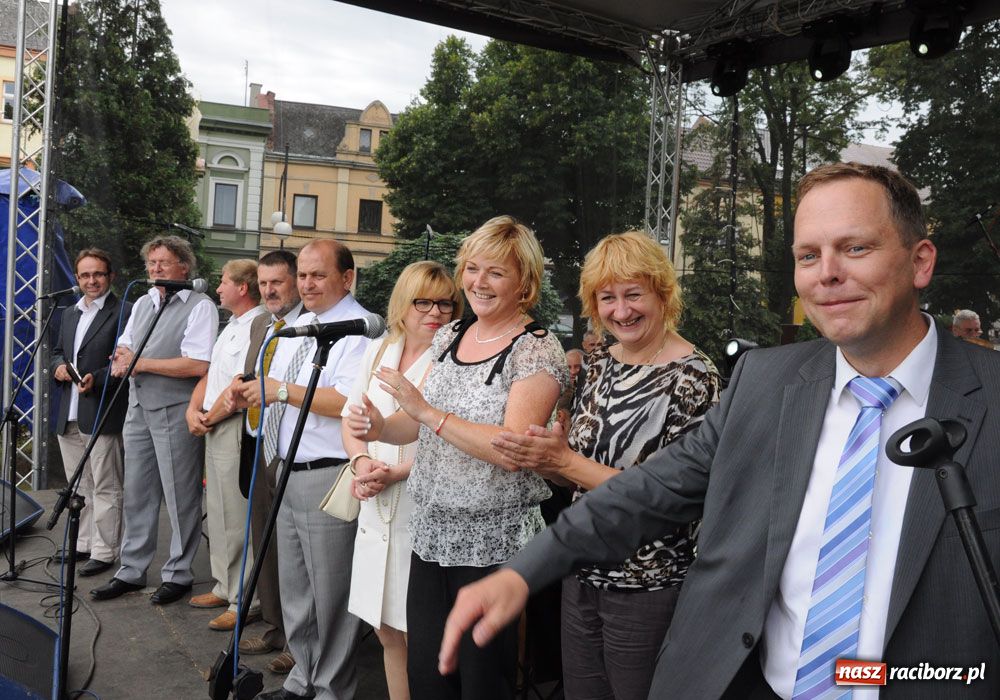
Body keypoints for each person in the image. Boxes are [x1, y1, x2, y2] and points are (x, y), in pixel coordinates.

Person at [439, 163, 1000, 700]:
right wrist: (524, 571)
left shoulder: (989, 398)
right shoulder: (764, 382)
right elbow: (649, 492)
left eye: (855, 248)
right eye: (809, 255)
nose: (828, 272)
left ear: (920, 262)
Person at [491, 231, 721, 700]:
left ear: (662, 292)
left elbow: (672, 496)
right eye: (607, 297)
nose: (621, 311)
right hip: (581, 573)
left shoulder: (695, 376)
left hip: (648, 587)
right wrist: (545, 460)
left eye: (634, 294)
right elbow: (577, 475)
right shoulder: (600, 362)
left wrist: (566, 460)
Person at [346, 215, 568, 700]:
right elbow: (419, 424)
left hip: (490, 545)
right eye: (471, 268)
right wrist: (383, 426)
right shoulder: (450, 337)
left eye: (495, 272)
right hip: (429, 533)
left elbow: (512, 449)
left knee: (480, 682)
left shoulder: (537, 349)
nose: (477, 282)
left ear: (524, 282)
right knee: (429, 676)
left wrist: (428, 412)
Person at [240, 239, 371, 700]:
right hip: (287, 467)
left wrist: (279, 391)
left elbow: (346, 402)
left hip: (329, 472)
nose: (307, 284)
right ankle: (302, 681)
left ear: (347, 278)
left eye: (319, 275)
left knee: (331, 596)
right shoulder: (305, 326)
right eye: (304, 275)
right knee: (297, 588)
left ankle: (332, 689)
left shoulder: (358, 331)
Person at [342, 261, 462, 700]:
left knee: (419, 636)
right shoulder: (379, 350)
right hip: (374, 502)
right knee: (385, 630)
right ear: (403, 304)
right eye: (424, 301)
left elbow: (450, 438)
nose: (435, 312)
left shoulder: (454, 359)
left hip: (420, 508)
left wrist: (397, 472)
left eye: (446, 303)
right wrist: (359, 463)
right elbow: (351, 419)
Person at [92, 235, 217, 605]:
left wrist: (139, 363)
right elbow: (126, 347)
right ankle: (131, 569)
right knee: (138, 492)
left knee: (181, 494)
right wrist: (122, 358)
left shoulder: (200, 306)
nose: (155, 269)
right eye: (151, 263)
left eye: (163, 262)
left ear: (184, 266)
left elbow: (199, 364)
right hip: (138, 406)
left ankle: (178, 573)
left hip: (176, 409)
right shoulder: (145, 301)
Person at [184, 259, 266, 630]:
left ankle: (243, 598)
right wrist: (193, 409)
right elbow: (211, 374)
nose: (218, 288)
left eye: (223, 281)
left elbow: (240, 383)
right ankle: (223, 584)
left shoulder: (260, 323)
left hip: (232, 425)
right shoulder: (232, 324)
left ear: (243, 288)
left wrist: (208, 418)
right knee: (217, 510)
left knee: (236, 515)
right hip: (214, 423)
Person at [232, 249, 302, 675]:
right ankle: (276, 626)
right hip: (258, 441)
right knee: (267, 544)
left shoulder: (311, 327)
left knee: (297, 552)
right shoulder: (262, 322)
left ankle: (300, 641)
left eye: (278, 282)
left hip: (294, 449)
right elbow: (250, 374)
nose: (270, 290)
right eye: (264, 283)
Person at [51, 248, 131, 577]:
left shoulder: (123, 312)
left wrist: (95, 378)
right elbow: (58, 352)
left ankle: (104, 549)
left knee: (106, 484)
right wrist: (56, 367)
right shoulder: (70, 313)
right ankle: (82, 544)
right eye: (84, 275)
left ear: (110, 276)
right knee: (78, 484)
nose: (91, 280)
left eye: (97, 273)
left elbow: (123, 358)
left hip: (101, 409)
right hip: (68, 412)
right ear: (77, 278)